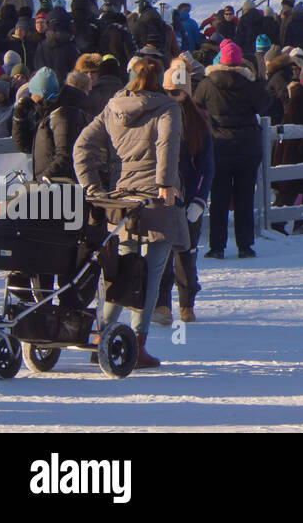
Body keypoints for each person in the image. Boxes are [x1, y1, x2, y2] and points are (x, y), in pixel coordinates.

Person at [72, 54, 187, 368]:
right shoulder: (167, 107)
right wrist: (165, 185)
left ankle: (102, 339)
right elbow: (167, 144)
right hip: (156, 200)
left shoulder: (113, 106)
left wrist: (92, 189)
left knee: (119, 269)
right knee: (151, 273)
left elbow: (82, 146)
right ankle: (137, 343)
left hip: (124, 198)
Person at [193, 39, 271, 259]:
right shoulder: (249, 83)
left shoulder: (207, 83)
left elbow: (197, 106)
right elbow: (264, 104)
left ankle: (217, 246)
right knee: (244, 197)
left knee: (218, 197)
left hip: (218, 145)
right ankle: (245, 245)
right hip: (247, 145)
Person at [156, 59, 214, 325]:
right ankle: (161, 304)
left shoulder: (197, 122)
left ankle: (186, 302)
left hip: (188, 196)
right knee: (160, 253)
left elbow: (206, 164)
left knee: (186, 255)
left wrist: (199, 200)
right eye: (169, 92)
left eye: (177, 92)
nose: (173, 97)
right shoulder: (156, 118)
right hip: (161, 196)